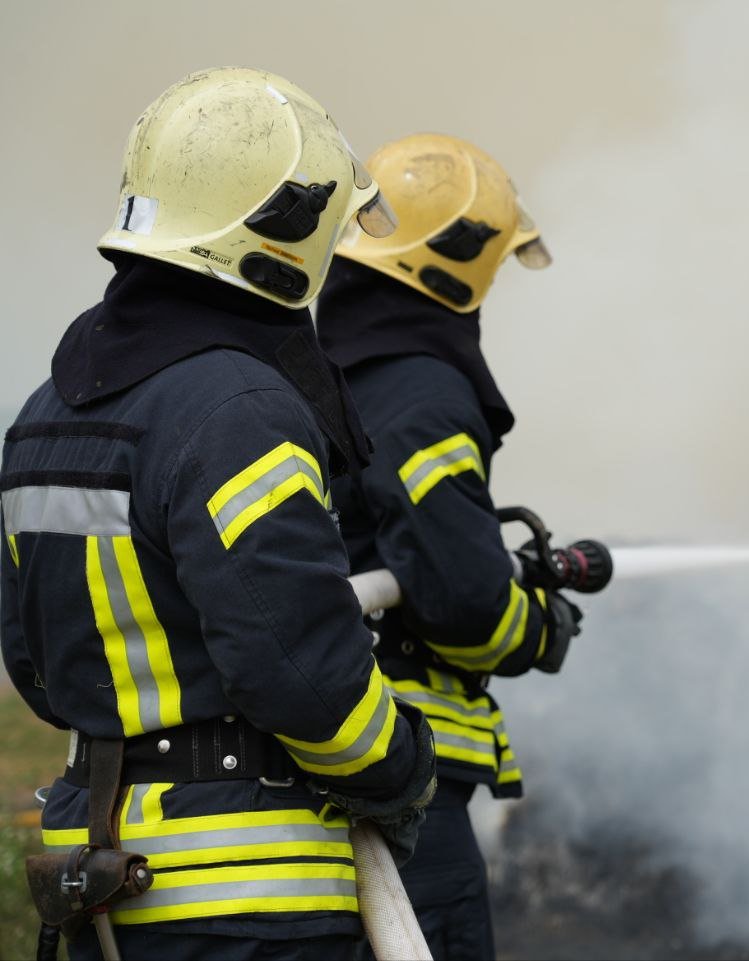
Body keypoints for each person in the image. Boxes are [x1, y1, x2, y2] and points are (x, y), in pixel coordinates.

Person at [0, 67, 436, 961]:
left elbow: (35, 665)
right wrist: (401, 764)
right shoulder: (241, 410)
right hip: (245, 900)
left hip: (100, 878)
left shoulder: (45, 413)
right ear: (286, 232)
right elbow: (302, 671)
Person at [316, 133, 595, 960]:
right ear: (457, 267)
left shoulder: (326, 374)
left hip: (333, 756)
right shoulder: (421, 392)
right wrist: (538, 627)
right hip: (408, 772)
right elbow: (464, 599)